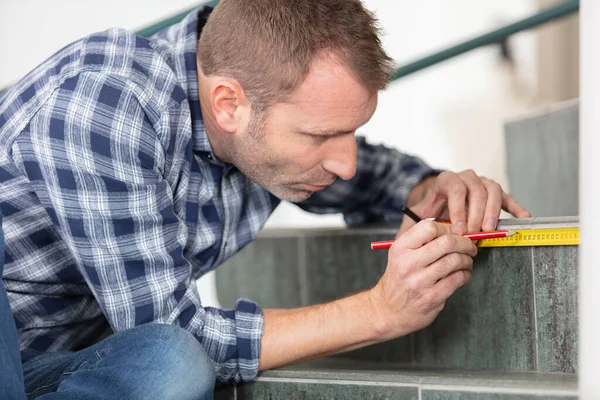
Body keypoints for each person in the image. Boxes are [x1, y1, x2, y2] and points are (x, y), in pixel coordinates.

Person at [0, 0, 530, 398]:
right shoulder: (103, 105)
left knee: (170, 366)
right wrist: (380, 311)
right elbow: (176, 326)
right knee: (176, 351)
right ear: (228, 104)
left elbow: (366, 173)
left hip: (48, 365)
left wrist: (431, 187)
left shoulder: (253, 118)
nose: (344, 161)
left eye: (349, 131)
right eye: (320, 136)